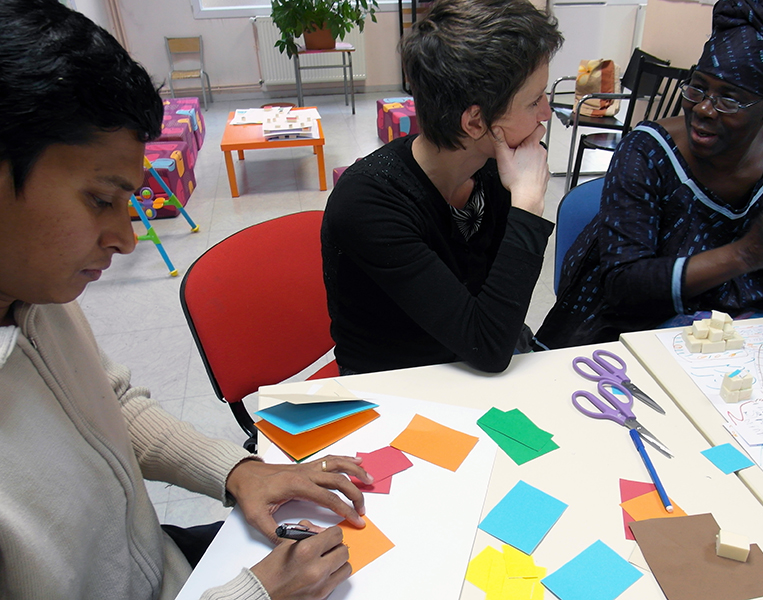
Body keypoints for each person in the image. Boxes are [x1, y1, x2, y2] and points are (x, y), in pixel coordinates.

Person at [0, 2, 374, 599]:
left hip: (160, 564)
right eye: (100, 200)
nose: (125, 238)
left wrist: (239, 471)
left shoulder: (35, 291)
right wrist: (254, 595)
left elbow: (111, 407)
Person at [535, 0, 763, 348]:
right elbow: (625, 285)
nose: (704, 109)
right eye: (697, 88)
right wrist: (744, 254)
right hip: (640, 334)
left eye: (729, 99)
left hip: (751, 337)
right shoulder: (646, 152)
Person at [321, 0, 563, 374]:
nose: (547, 112)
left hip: (469, 372)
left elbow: (496, 325)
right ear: (475, 122)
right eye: (534, 101)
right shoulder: (367, 203)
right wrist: (528, 205)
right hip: (394, 388)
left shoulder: (494, 170)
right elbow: (488, 347)